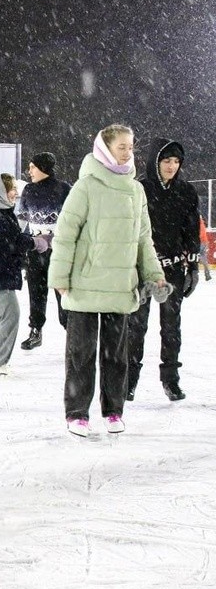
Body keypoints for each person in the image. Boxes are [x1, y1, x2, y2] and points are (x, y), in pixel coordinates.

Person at [49, 124, 165, 437]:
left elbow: (144, 239)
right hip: (84, 283)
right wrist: (59, 277)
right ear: (105, 149)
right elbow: (65, 234)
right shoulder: (85, 187)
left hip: (120, 285)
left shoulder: (135, 190)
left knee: (116, 354)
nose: (128, 152)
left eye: (130, 147)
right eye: (122, 147)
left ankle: (113, 411)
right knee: (81, 354)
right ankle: (77, 414)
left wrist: (155, 274)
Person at [126, 138, 201, 403]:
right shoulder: (139, 189)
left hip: (172, 270)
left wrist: (192, 266)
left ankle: (170, 380)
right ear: (155, 161)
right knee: (136, 326)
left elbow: (191, 231)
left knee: (171, 327)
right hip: (143, 270)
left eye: (176, 161)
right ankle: (129, 380)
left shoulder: (186, 192)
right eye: (166, 160)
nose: (171, 166)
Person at [0, 175, 39, 375]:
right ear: (1, 191)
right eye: (12, 189)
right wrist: (35, 242)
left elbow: (10, 240)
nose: (16, 193)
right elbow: (9, 244)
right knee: (11, 315)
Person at [15, 152, 72, 351]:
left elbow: (74, 219)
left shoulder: (64, 189)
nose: (29, 171)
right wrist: (15, 238)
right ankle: (35, 330)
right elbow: (21, 219)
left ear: (43, 168)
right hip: (35, 249)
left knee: (62, 292)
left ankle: (71, 332)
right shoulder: (28, 190)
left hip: (59, 250)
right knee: (35, 291)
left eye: (32, 167)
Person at [199, 216, 212, 282]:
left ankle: (193, 273)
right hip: (204, 242)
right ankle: (207, 274)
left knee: (194, 257)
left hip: (200, 242)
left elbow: (200, 234)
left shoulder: (198, 222)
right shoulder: (202, 222)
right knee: (204, 259)